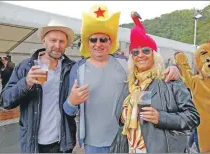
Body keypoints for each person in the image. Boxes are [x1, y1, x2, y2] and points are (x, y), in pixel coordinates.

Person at [63, 5, 181, 153]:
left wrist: (176, 68)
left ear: (111, 42)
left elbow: (150, 69)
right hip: (93, 145)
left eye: (103, 39)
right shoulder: (77, 69)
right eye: (93, 39)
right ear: (88, 43)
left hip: (125, 140)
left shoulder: (125, 63)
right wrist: (72, 102)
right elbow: (67, 110)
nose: (98, 44)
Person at [120, 12, 200, 153]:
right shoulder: (132, 84)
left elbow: (193, 117)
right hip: (133, 149)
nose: (140, 55)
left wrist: (161, 117)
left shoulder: (170, 80)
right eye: (135, 52)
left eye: (145, 50)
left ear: (154, 55)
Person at [0, 20, 77, 153]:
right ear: (44, 41)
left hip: (63, 144)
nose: (57, 45)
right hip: (33, 144)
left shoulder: (71, 68)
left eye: (62, 41)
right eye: (53, 40)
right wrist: (26, 83)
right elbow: (5, 101)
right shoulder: (26, 66)